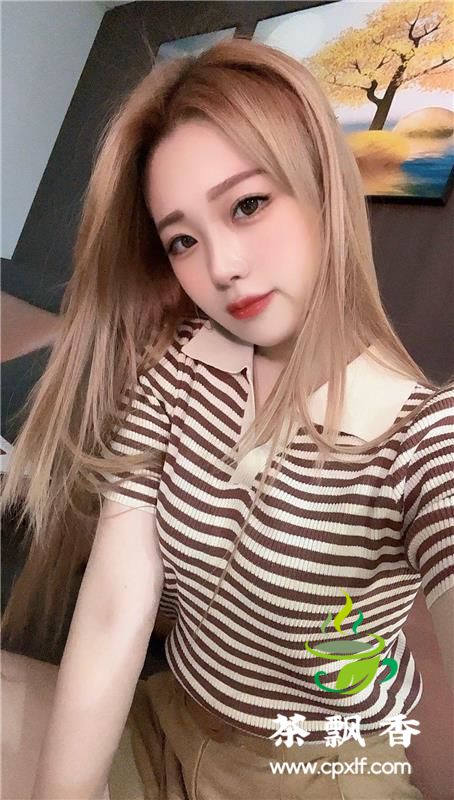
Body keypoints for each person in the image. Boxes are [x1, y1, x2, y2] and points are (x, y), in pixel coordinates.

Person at [1, 36, 453, 800]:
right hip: (164, 720)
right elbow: (116, 603)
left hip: (314, 771)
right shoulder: (180, 365)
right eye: (183, 239)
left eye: (248, 205)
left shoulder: (420, 438)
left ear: (322, 185)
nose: (221, 268)